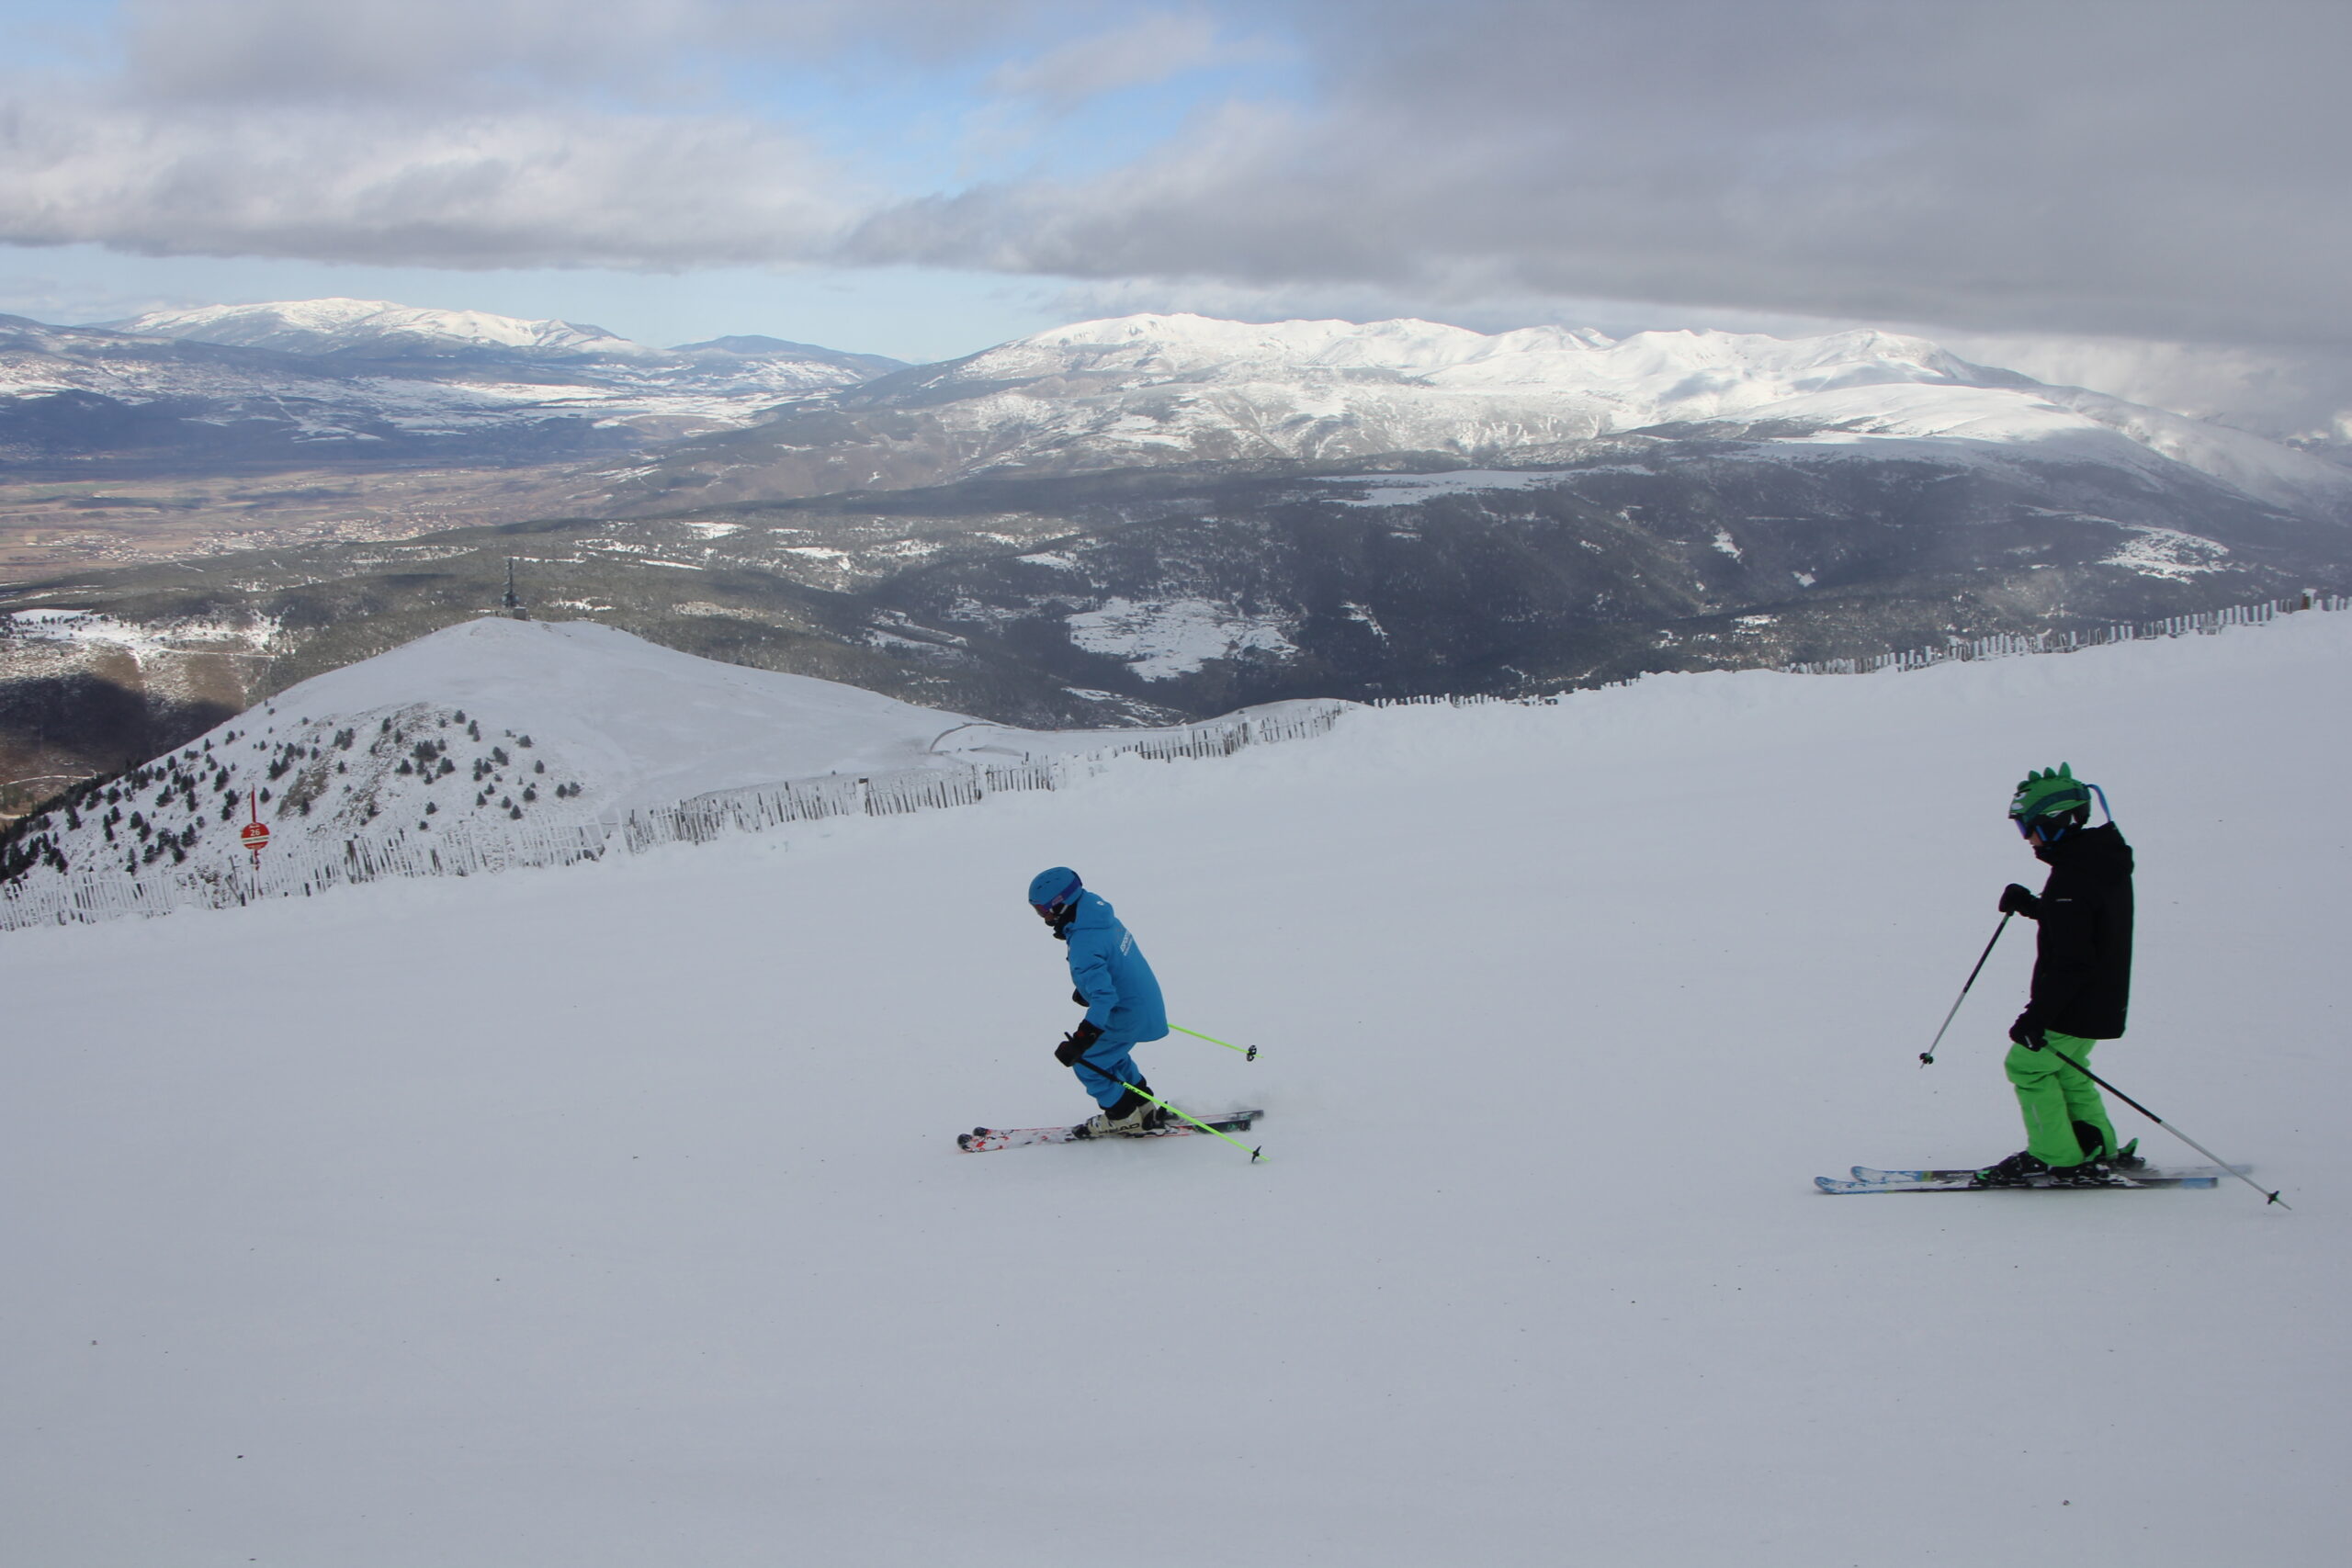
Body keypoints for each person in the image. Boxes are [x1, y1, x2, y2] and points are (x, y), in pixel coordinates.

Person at [1973, 764, 2143, 1188]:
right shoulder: (2097, 859)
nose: (2028, 838)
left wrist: (2036, 1016)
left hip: (2075, 1001)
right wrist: (2034, 906)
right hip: (2100, 999)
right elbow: (2084, 925)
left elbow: (2072, 960)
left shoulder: (2072, 877)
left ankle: (2055, 1156)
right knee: (2067, 1068)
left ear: (2056, 822)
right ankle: (2095, 1146)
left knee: (2027, 1066)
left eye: (2030, 828)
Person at [1027, 866, 1170, 1135]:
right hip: (1142, 1001)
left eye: (1042, 910)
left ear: (1060, 905)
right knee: (1110, 1055)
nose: (1041, 916)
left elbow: (1105, 996)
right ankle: (1142, 1105)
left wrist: (1083, 1038)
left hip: (1127, 1011)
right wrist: (1087, 989)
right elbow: (1112, 963)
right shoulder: (1096, 914)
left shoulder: (1084, 941)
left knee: (1088, 1062)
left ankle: (1123, 1116)